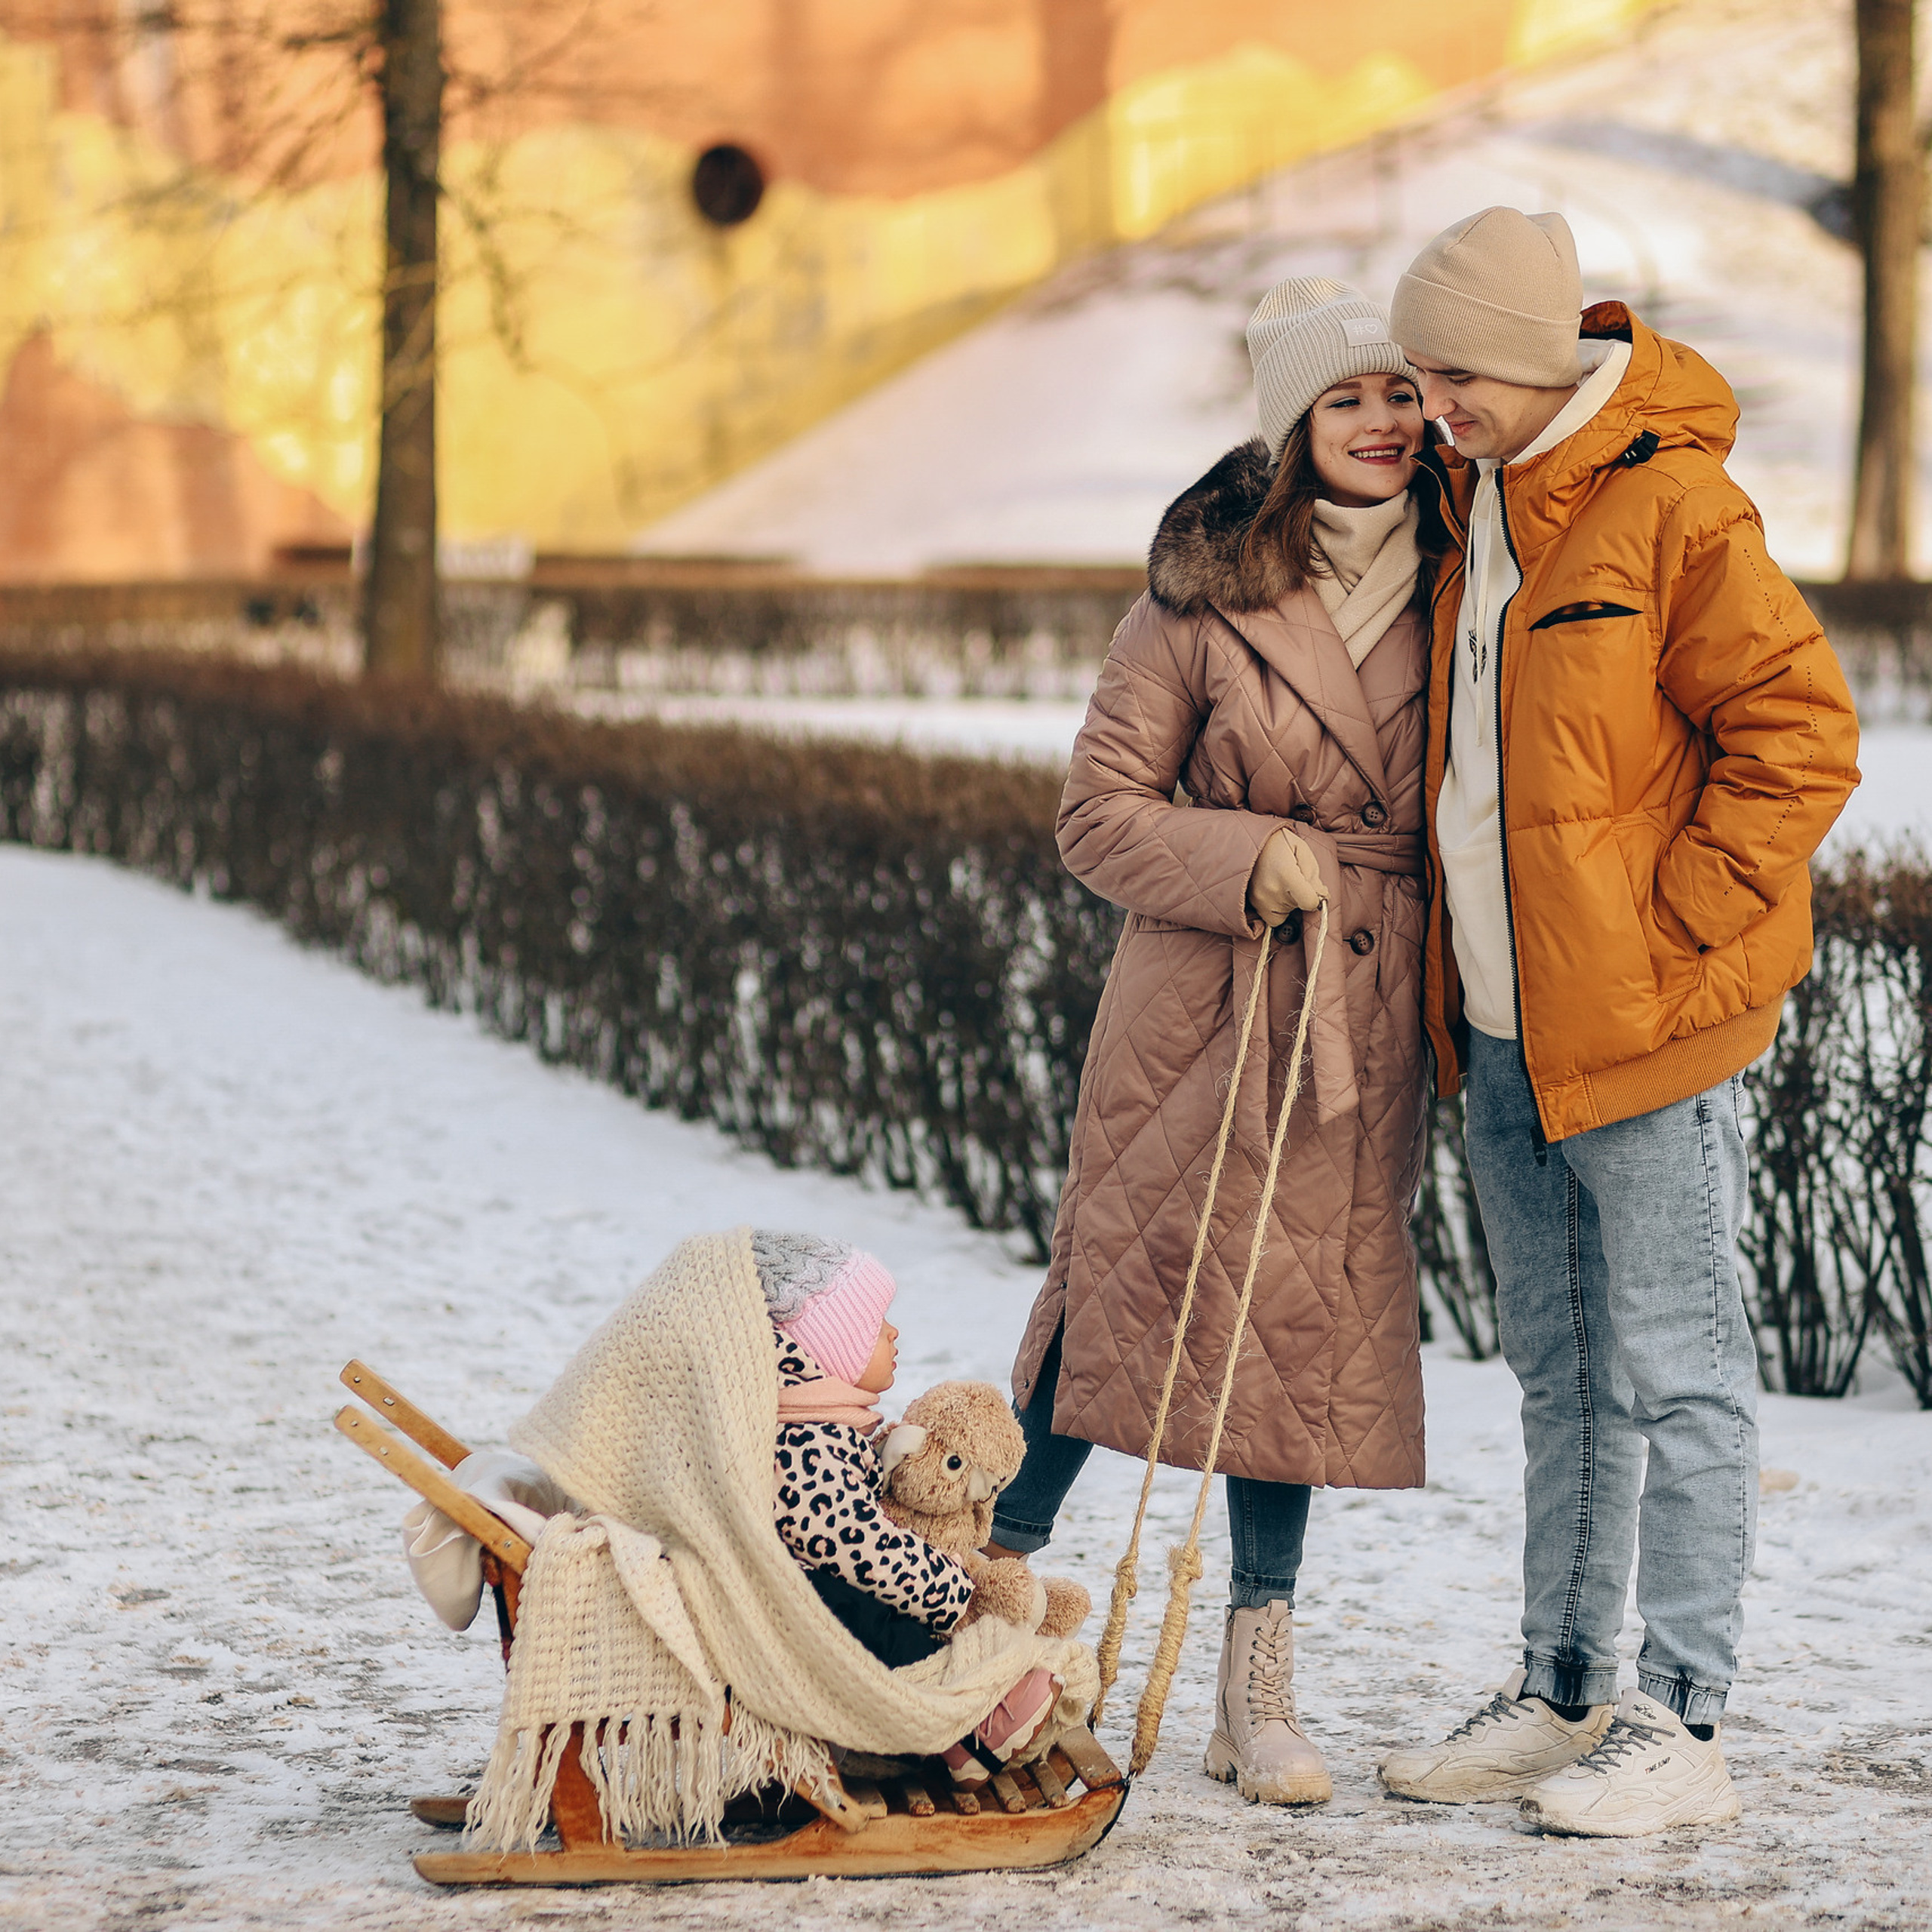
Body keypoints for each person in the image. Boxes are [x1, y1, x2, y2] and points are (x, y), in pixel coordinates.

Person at [1377, 208, 1859, 1837]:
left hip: (1641, 1031)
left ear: (1523, 359)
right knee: (1563, 1375)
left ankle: (1684, 1716)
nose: (1427, 400)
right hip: (1505, 1036)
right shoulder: (1473, 502)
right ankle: (1561, 1685)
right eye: (1420, 370)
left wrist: (1667, 932)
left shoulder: (1669, 504)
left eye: (1450, 371)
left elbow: (1799, 735)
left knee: (1678, 1375)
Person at [989, 278, 1444, 1806]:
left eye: (1398, 391)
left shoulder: (1470, 572)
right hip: (1204, 999)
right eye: (1344, 399)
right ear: (1290, 425)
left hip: (1358, 1006)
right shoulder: (1194, 597)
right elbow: (1094, 814)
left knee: (1292, 1322)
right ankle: (977, 1604)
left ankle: (1255, 1677)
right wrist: (1248, 853)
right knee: (1117, 1290)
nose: (1381, 422)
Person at [755, 1231, 1060, 1789]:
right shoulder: (799, 1437)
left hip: (792, 1595)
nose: (892, 1333)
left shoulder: (819, 1422)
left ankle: (948, 1716)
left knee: (874, 1603)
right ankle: (960, 1726)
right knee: (867, 1608)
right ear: (831, 1348)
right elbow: (853, 1541)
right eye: (875, 1327)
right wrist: (952, 1591)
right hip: (782, 1612)